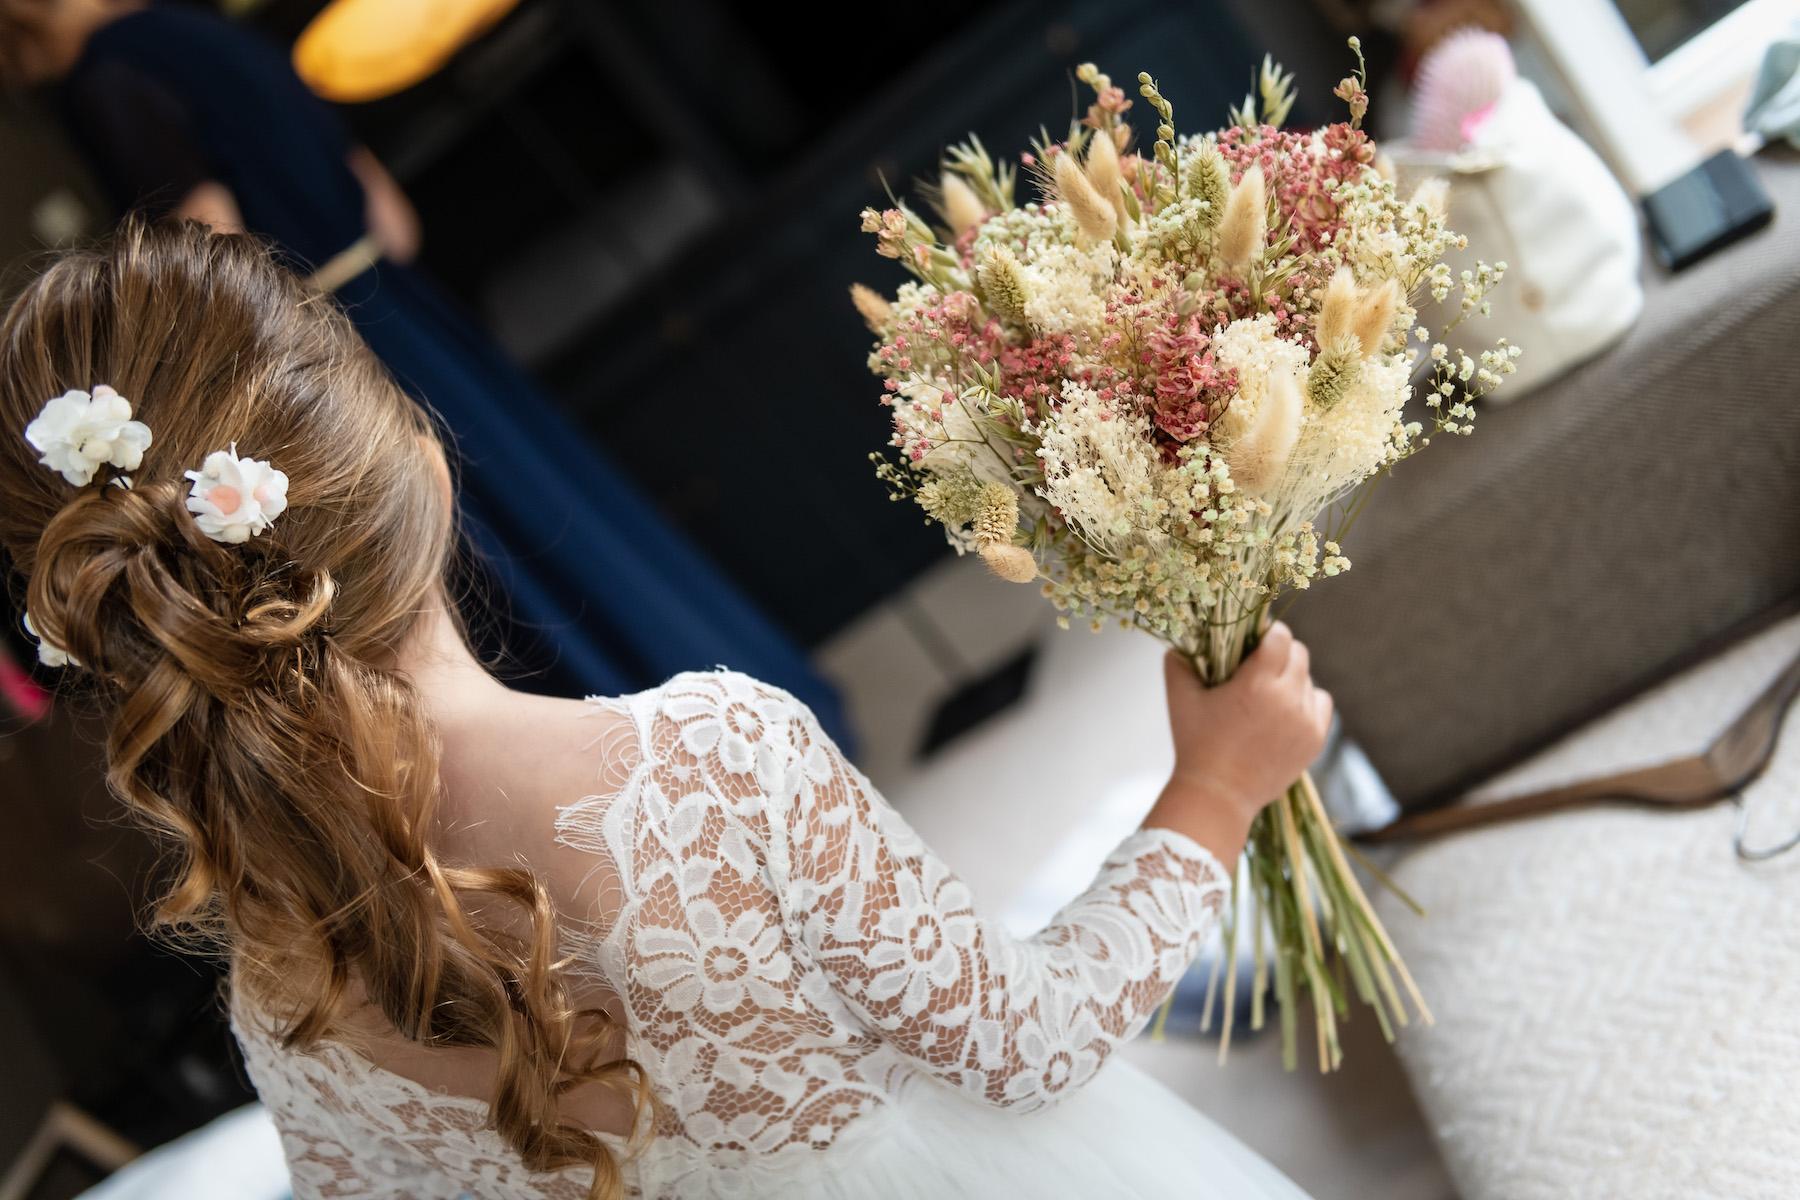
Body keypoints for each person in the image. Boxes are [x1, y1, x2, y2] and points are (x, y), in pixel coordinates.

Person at [0, 225, 1331, 1197]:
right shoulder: (713, 759)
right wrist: (1216, 786)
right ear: (418, 462)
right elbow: (1025, 1045)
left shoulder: (278, 998)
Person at [0, 0, 848, 734]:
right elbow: (393, 219)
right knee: (565, 512)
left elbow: (217, 246)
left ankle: (659, 767)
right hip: (410, 312)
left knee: (491, 563)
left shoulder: (103, 85)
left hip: (344, 353)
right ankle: (751, 709)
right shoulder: (206, 36)